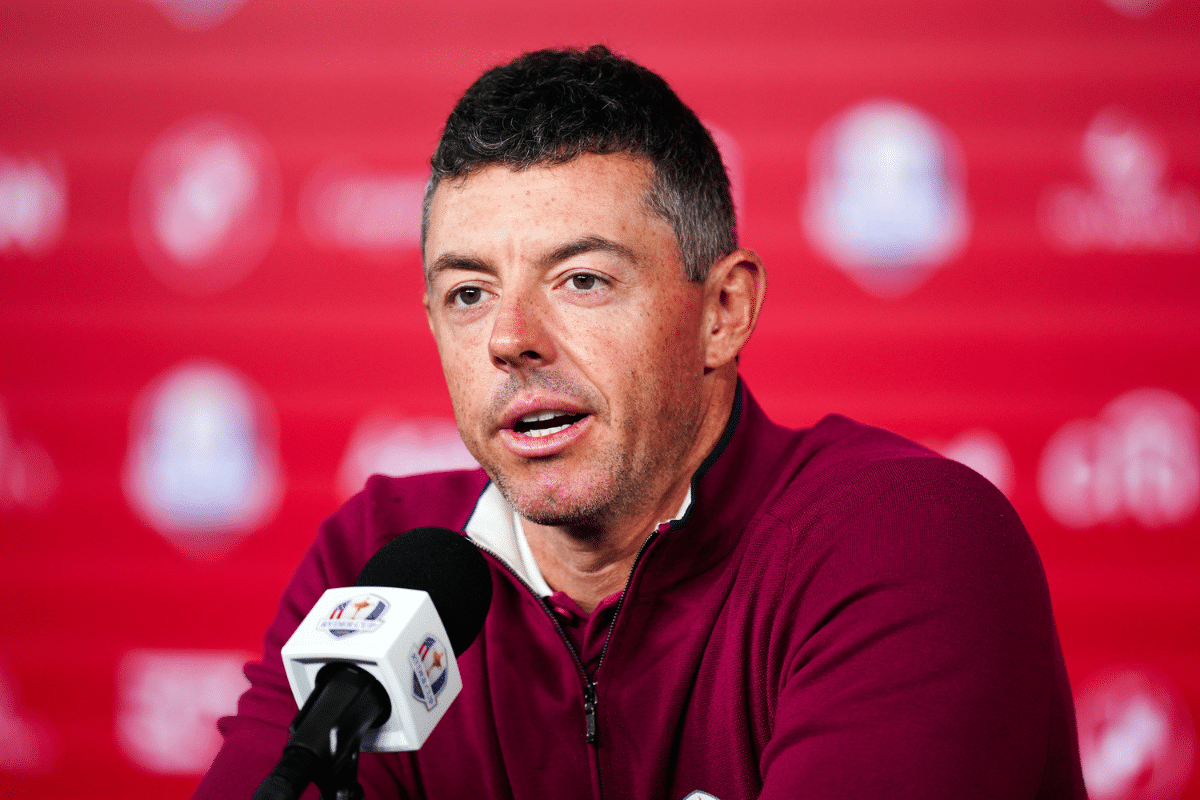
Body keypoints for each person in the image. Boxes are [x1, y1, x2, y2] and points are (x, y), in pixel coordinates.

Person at [196, 45, 1085, 799]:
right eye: (468, 293)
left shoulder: (906, 536)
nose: (510, 338)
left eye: (582, 279)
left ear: (723, 310)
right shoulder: (380, 558)